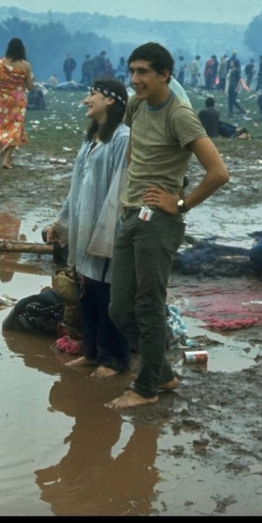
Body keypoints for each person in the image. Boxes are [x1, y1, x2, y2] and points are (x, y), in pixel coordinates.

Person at [106, 42, 229, 410]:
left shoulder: (180, 115)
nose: (135, 79)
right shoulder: (136, 104)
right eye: (131, 71)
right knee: (119, 309)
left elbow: (218, 173)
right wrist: (128, 196)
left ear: (164, 74)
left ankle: (146, 389)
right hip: (131, 214)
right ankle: (163, 374)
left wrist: (179, 204)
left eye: (143, 72)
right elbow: (135, 151)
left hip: (159, 222)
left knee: (149, 305)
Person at [44, 79, 131, 379]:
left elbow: (120, 189)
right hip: (85, 226)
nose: (86, 100)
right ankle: (91, 353)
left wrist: (107, 231)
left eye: (92, 94)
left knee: (108, 295)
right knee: (88, 292)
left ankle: (115, 359)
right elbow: (76, 187)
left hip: (106, 228)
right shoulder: (91, 138)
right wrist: (61, 222)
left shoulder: (122, 138)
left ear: (110, 101)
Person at [0, 37, 34, 170]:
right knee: (15, 128)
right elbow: (30, 87)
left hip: (0, 102)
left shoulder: (0, 63)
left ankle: (6, 154)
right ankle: (6, 159)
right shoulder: (26, 66)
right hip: (17, 102)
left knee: (2, 127)